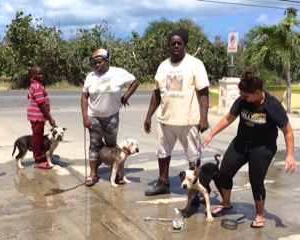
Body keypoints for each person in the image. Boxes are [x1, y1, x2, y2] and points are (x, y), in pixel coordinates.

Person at [201, 70, 296, 228]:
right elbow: (228, 118)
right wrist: (211, 134)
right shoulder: (242, 101)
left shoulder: (272, 106)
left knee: (256, 180)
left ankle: (259, 215)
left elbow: (288, 131)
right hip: (241, 142)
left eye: (245, 95)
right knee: (224, 172)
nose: (242, 98)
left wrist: (290, 155)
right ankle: (226, 203)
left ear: (257, 92)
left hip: (262, 147)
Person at [143, 28, 210, 196]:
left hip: (188, 121)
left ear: (184, 44)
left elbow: (203, 92)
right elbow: (157, 94)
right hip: (166, 120)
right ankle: (163, 183)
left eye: (179, 43)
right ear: (169, 45)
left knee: (193, 157)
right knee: (163, 152)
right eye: (173, 43)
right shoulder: (163, 66)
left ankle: (194, 189)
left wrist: (204, 118)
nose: (176, 46)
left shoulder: (195, 64)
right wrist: (148, 116)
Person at [81, 48, 139, 186]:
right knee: (94, 145)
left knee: (112, 146)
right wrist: (85, 117)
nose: (97, 65)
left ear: (106, 61)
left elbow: (135, 82)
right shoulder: (90, 77)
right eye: (94, 63)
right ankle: (93, 174)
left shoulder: (118, 73)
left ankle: (115, 171)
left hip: (112, 117)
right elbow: (84, 97)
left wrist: (125, 97)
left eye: (100, 62)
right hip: (94, 116)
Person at [27, 66, 56, 169]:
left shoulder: (36, 85)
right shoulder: (37, 87)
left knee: (38, 137)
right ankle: (38, 160)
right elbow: (41, 104)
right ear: (33, 75)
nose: (41, 75)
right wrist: (50, 118)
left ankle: (40, 156)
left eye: (42, 74)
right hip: (37, 116)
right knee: (37, 138)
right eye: (39, 74)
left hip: (38, 116)